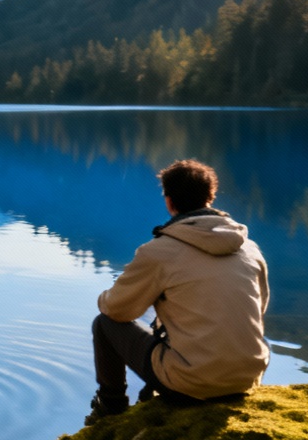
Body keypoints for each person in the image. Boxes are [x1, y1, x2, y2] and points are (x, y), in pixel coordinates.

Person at [90, 159, 270, 419]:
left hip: (191, 383)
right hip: (247, 377)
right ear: (210, 197)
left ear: (169, 201)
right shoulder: (249, 248)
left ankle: (111, 407)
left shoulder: (159, 252)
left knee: (104, 325)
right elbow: (258, 308)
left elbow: (117, 310)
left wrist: (107, 297)